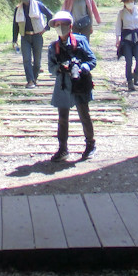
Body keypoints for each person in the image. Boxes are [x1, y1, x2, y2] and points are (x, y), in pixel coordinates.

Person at [46, 10, 97, 162]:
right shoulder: (53, 47)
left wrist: (83, 68)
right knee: (62, 118)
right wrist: (60, 68)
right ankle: (62, 149)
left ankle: (90, 145)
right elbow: (51, 68)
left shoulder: (80, 41)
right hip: (63, 85)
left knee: (84, 115)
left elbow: (92, 60)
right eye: (58, 25)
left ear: (70, 26)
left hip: (80, 83)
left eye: (64, 24)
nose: (61, 27)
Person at [11, 0, 53, 87]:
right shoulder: (18, 9)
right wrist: (14, 40)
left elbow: (50, 15)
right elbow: (15, 25)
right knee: (26, 59)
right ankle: (30, 80)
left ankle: (34, 78)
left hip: (37, 36)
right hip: (25, 36)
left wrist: (46, 28)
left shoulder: (38, 5)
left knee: (37, 61)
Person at [115, 0, 138, 90]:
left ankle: (136, 74)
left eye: (131, 0)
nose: (130, 3)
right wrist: (117, 39)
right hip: (126, 39)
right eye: (127, 1)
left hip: (137, 37)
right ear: (124, 2)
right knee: (128, 61)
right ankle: (129, 81)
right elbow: (118, 26)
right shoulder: (121, 13)